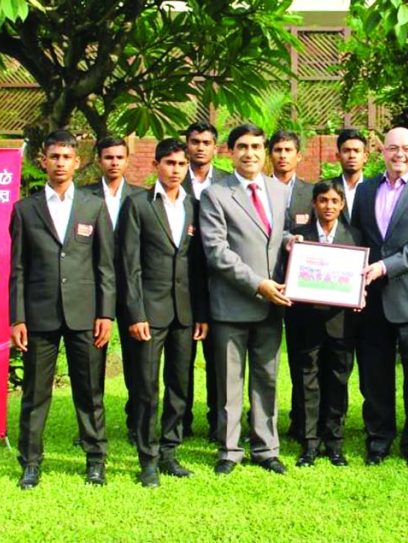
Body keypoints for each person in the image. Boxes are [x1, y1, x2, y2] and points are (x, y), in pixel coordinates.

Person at [9, 130, 115, 489]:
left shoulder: (93, 207)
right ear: (43, 160)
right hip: (39, 316)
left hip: (86, 315)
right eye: (53, 157)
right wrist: (18, 317)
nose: (60, 163)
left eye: (66, 157)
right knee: (35, 394)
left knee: (90, 392)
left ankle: (95, 460)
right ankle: (31, 462)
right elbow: (18, 270)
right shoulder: (25, 209)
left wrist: (106, 314)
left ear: (77, 161)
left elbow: (105, 266)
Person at [350, 126, 408, 469]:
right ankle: (378, 440)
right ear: (383, 152)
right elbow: (355, 237)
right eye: (393, 149)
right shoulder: (365, 189)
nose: (399, 155)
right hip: (371, 298)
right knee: (374, 376)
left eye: (406, 149)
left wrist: (385, 267)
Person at [199, 123, 291, 476]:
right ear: (230, 152)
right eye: (242, 147)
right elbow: (217, 251)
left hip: (272, 305)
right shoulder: (216, 194)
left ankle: (266, 448)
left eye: (256, 146)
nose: (249, 153)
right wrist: (258, 284)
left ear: (265, 150)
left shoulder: (277, 190)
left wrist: (291, 243)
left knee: (266, 379)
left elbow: (275, 234)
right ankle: (229, 450)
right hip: (233, 305)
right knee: (229, 383)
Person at [117, 138, 210, 487]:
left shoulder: (194, 206)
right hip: (149, 314)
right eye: (169, 163)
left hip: (184, 314)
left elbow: (199, 265)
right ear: (156, 165)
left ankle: (170, 451)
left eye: (181, 165)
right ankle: (147, 459)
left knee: (179, 387)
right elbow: (129, 266)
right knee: (145, 388)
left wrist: (201, 313)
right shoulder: (137, 205)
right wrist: (135, 313)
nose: (175, 170)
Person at [288, 180, 362, 468]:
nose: (328, 206)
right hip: (307, 322)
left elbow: (360, 277)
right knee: (308, 381)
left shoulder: (355, 237)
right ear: (314, 204)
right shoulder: (299, 237)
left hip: (342, 323)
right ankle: (309, 443)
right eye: (323, 200)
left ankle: (334, 442)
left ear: (342, 205)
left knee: (337, 381)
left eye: (334, 201)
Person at [82, 135, 143, 446]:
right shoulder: (82, 197)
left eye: (120, 157)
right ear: (98, 160)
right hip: (93, 289)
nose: (114, 162)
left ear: (128, 160)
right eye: (108, 157)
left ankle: (136, 425)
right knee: (93, 363)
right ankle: (92, 430)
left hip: (133, 288)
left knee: (137, 361)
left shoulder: (143, 197)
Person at [180, 121, 229, 442]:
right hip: (180, 281)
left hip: (218, 283)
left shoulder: (227, 183)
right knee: (181, 359)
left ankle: (217, 422)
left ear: (215, 147)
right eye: (195, 141)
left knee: (219, 359)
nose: (200, 147)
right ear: (186, 145)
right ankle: (180, 420)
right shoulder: (170, 178)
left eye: (206, 142)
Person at [268, 129, 313, 442]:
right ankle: (261, 421)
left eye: (288, 150)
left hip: (304, 289)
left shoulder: (313, 193)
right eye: (278, 150)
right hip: (266, 283)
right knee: (264, 359)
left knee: (302, 357)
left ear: (299, 156)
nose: (282, 155)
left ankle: (301, 420)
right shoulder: (258, 189)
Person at [324, 129, 369, 223]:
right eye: (346, 151)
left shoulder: (375, 189)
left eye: (356, 151)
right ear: (338, 156)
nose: (352, 155)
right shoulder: (325, 188)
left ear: (365, 157)